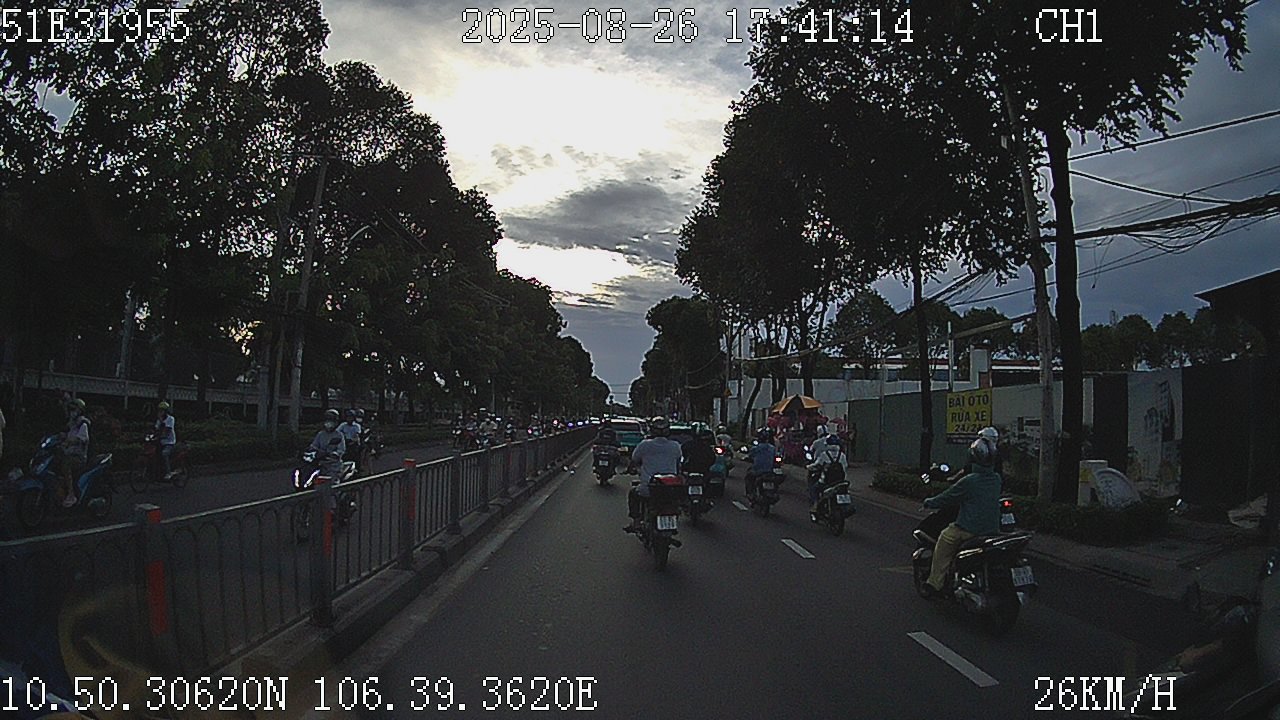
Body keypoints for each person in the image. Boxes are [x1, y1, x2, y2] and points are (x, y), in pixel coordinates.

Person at [921, 434, 1002, 596]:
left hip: (969, 529)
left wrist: (929, 502)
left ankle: (935, 583)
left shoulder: (970, 481)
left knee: (944, 541)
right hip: (992, 529)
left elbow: (947, 497)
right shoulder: (996, 479)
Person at [625, 416, 682, 531]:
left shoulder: (644, 445)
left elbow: (634, 459)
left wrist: (631, 468)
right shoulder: (675, 446)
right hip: (671, 490)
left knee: (633, 494)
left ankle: (636, 522)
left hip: (649, 488)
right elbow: (679, 463)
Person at [807, 434, 850, 512]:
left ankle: (815, 505)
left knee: (814, 489)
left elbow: (817, 464)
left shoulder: (824, 455)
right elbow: (845, 466)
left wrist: (809, 467)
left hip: (827, 481)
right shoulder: (842, 455)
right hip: (841, 481)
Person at [59, 399, 90, 507]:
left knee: (65, 465)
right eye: (70, 409)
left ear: (79, 411)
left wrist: (69, 442)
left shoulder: (83, 424)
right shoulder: (71, 424)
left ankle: (71, 494)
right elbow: (65, 434)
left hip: (78, 457)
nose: (71, 412)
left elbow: (82, 439)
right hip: (68, 453)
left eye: (74, 409)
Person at [310, 409, 347, 482]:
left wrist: (334, 454)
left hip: (333, 466)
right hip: (320, 463)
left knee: (332, 483)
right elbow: (313, 446)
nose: (329, 423)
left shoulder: (339, 435)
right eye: (327, 421)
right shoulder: (320, 434)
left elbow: (341, 450)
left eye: (331, 421)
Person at [745, 428, 777, 500]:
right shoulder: (772, 448)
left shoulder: (756, 448)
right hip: (769, 471)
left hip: (758, 471)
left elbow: (750, 455)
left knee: (748, 477)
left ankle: (750, 493)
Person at [154, 401, 176, 478]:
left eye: (162, 410)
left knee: (164, 454)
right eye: (159, 410)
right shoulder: (159, 420)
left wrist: (162, 435)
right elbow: (156, 429)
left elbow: (167, 430)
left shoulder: (170, 419)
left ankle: (168, 472)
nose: (160, 412)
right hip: (160, 442)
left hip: (169, 442)